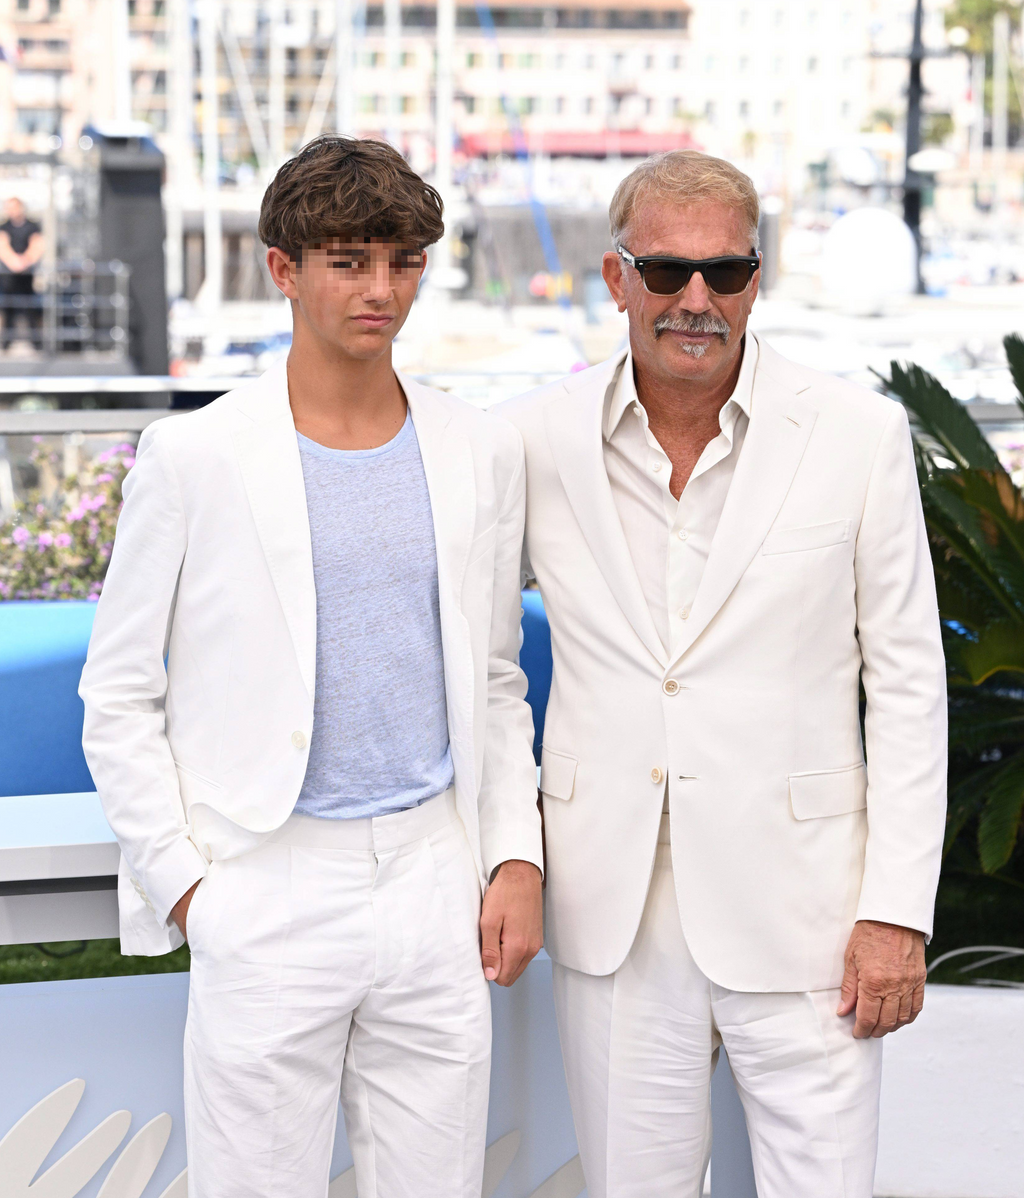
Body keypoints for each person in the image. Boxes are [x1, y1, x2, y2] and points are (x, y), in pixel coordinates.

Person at [79, 137, 543, 1198]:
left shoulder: (480, 447)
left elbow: (494, 679)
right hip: (266, 872)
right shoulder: (193, 456)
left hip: (434, 872)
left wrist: (513, 855)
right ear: (283, 268)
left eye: (403, 260)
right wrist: (191, 887)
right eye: (348, 260)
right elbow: (117, 690)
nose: (380, 289)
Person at [499, 151, 947, 1197]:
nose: (695, 299)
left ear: (758, 276)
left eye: (725, 272)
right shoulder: (530, 441)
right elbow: (477, 664)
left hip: (814, 914)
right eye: (664, 272)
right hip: (611, 908)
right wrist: (509, 849)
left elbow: (911, 686)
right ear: (615, 280)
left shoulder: (858, 435)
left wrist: (896, 911)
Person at [0, 197, 44, 349]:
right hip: (8, 276)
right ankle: (6, 343)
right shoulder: (4, 227)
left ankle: (36, 343)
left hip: (26, 275)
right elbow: (3, 246)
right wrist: (14, 262)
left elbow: (37, 245)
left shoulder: (32, 226)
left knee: (29, 308)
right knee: (8, 309)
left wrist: (25, 261)